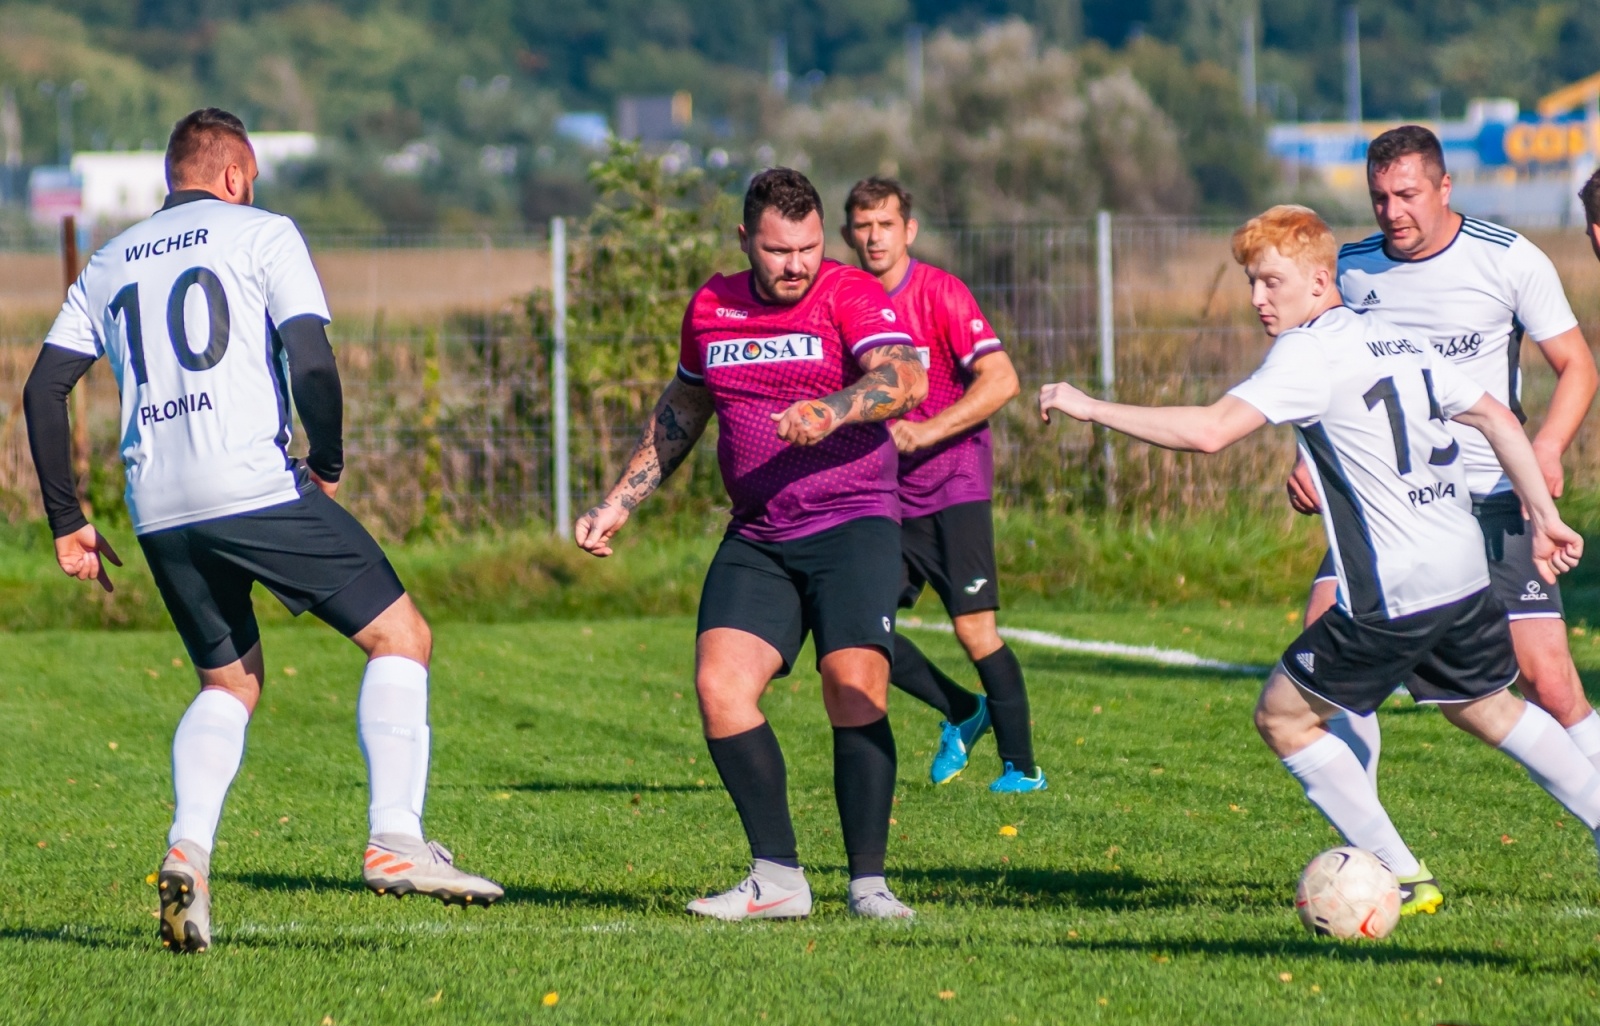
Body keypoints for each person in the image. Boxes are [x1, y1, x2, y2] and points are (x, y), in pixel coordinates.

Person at [23, 108, 501, 954]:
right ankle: (394, 839)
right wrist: (331, 455)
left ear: (174, 176)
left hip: (158, 506)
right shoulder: (263, 233)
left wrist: (69, 521)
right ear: (238, 175)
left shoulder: (108, 259)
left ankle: (187, 855)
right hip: (251, 483)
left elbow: (42, 390)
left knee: (229, 685)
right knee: (401, 636)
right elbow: (310, 359)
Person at [1039, 205, 1600, 901]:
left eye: (1271, 282)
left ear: (1318, 279)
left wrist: (1091, 407)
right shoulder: (1392, 334)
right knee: (1490, 709)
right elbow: (1493, 414)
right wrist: (1543, 515)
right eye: (1250, 283)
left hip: (1394, 590)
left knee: (1283, 716)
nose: (1257, 300)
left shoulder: (1307, 353)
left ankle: (1401, 873)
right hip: (1463, 570)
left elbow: (1212, 431)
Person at [575, 168, 927, 921]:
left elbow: (906, 378)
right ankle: (778, 879)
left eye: (806, 246)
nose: (795, 263)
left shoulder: (849, 295)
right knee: (719, 690)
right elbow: (685, 407)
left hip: (854, 521)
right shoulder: (710, 305)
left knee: (852, 684)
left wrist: (833, 411)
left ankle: (869, 884)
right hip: (760, 534)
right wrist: (620, 501)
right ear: (746, 241)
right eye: (777, 250)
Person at [1287, 128, 1600, 845]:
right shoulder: (1353, 270)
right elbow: (1320, 369)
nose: (1391, 210)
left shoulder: (1507, 257)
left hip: (1493, 497)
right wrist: (1305, 454)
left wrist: (1545, 448)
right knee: (1326, 663)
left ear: (1444, 187)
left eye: (1406, 194)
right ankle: (1372, 857)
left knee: (1546, 681)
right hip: (1385, 502)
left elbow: (1577, 366)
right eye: (1378, 197)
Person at [839, 176, 1041, 792]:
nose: (874, 237)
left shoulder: (940, 293)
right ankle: (961, 709)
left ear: (909, 231)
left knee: (974, 629)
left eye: (886, 225)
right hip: (882, 493)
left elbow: (1002, 380)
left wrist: (927, 433)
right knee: (856, 622)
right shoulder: (841, 297)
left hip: (953, 485)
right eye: (863, 226)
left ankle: (1021, 768)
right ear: (849, 234)